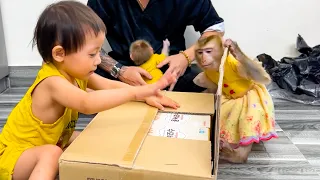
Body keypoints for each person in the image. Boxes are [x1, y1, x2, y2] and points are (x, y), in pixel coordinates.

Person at [0, 1, 180, 179]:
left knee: (91, 138)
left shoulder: (76, 71)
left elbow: (109, 85)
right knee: (51, 154)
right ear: (60, 54)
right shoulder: (52, 82)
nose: (98, 61)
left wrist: (145, 95)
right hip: (15, 155)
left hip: (52, 139)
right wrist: (135, 92)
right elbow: (87, 104)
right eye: (92, 54)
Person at [87, 0, 225, 92]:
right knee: (80, 76)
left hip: (172, 72)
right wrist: (119, 71)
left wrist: (186, 57)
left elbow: (215, 28)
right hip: (120, 71)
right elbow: (84, 41)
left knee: (209, 84)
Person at [193, 35, 278, 163]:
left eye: (208, 52)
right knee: (216, 114)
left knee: (248, 118)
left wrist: (239, 54)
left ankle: (241, 154)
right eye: (200, 53)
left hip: (249, 97)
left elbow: (263, 78)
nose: (203, 58)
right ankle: (224, 141)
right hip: (230, 97)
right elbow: (214, 86)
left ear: (221, 51)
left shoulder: (233, 64)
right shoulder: (208, 71)